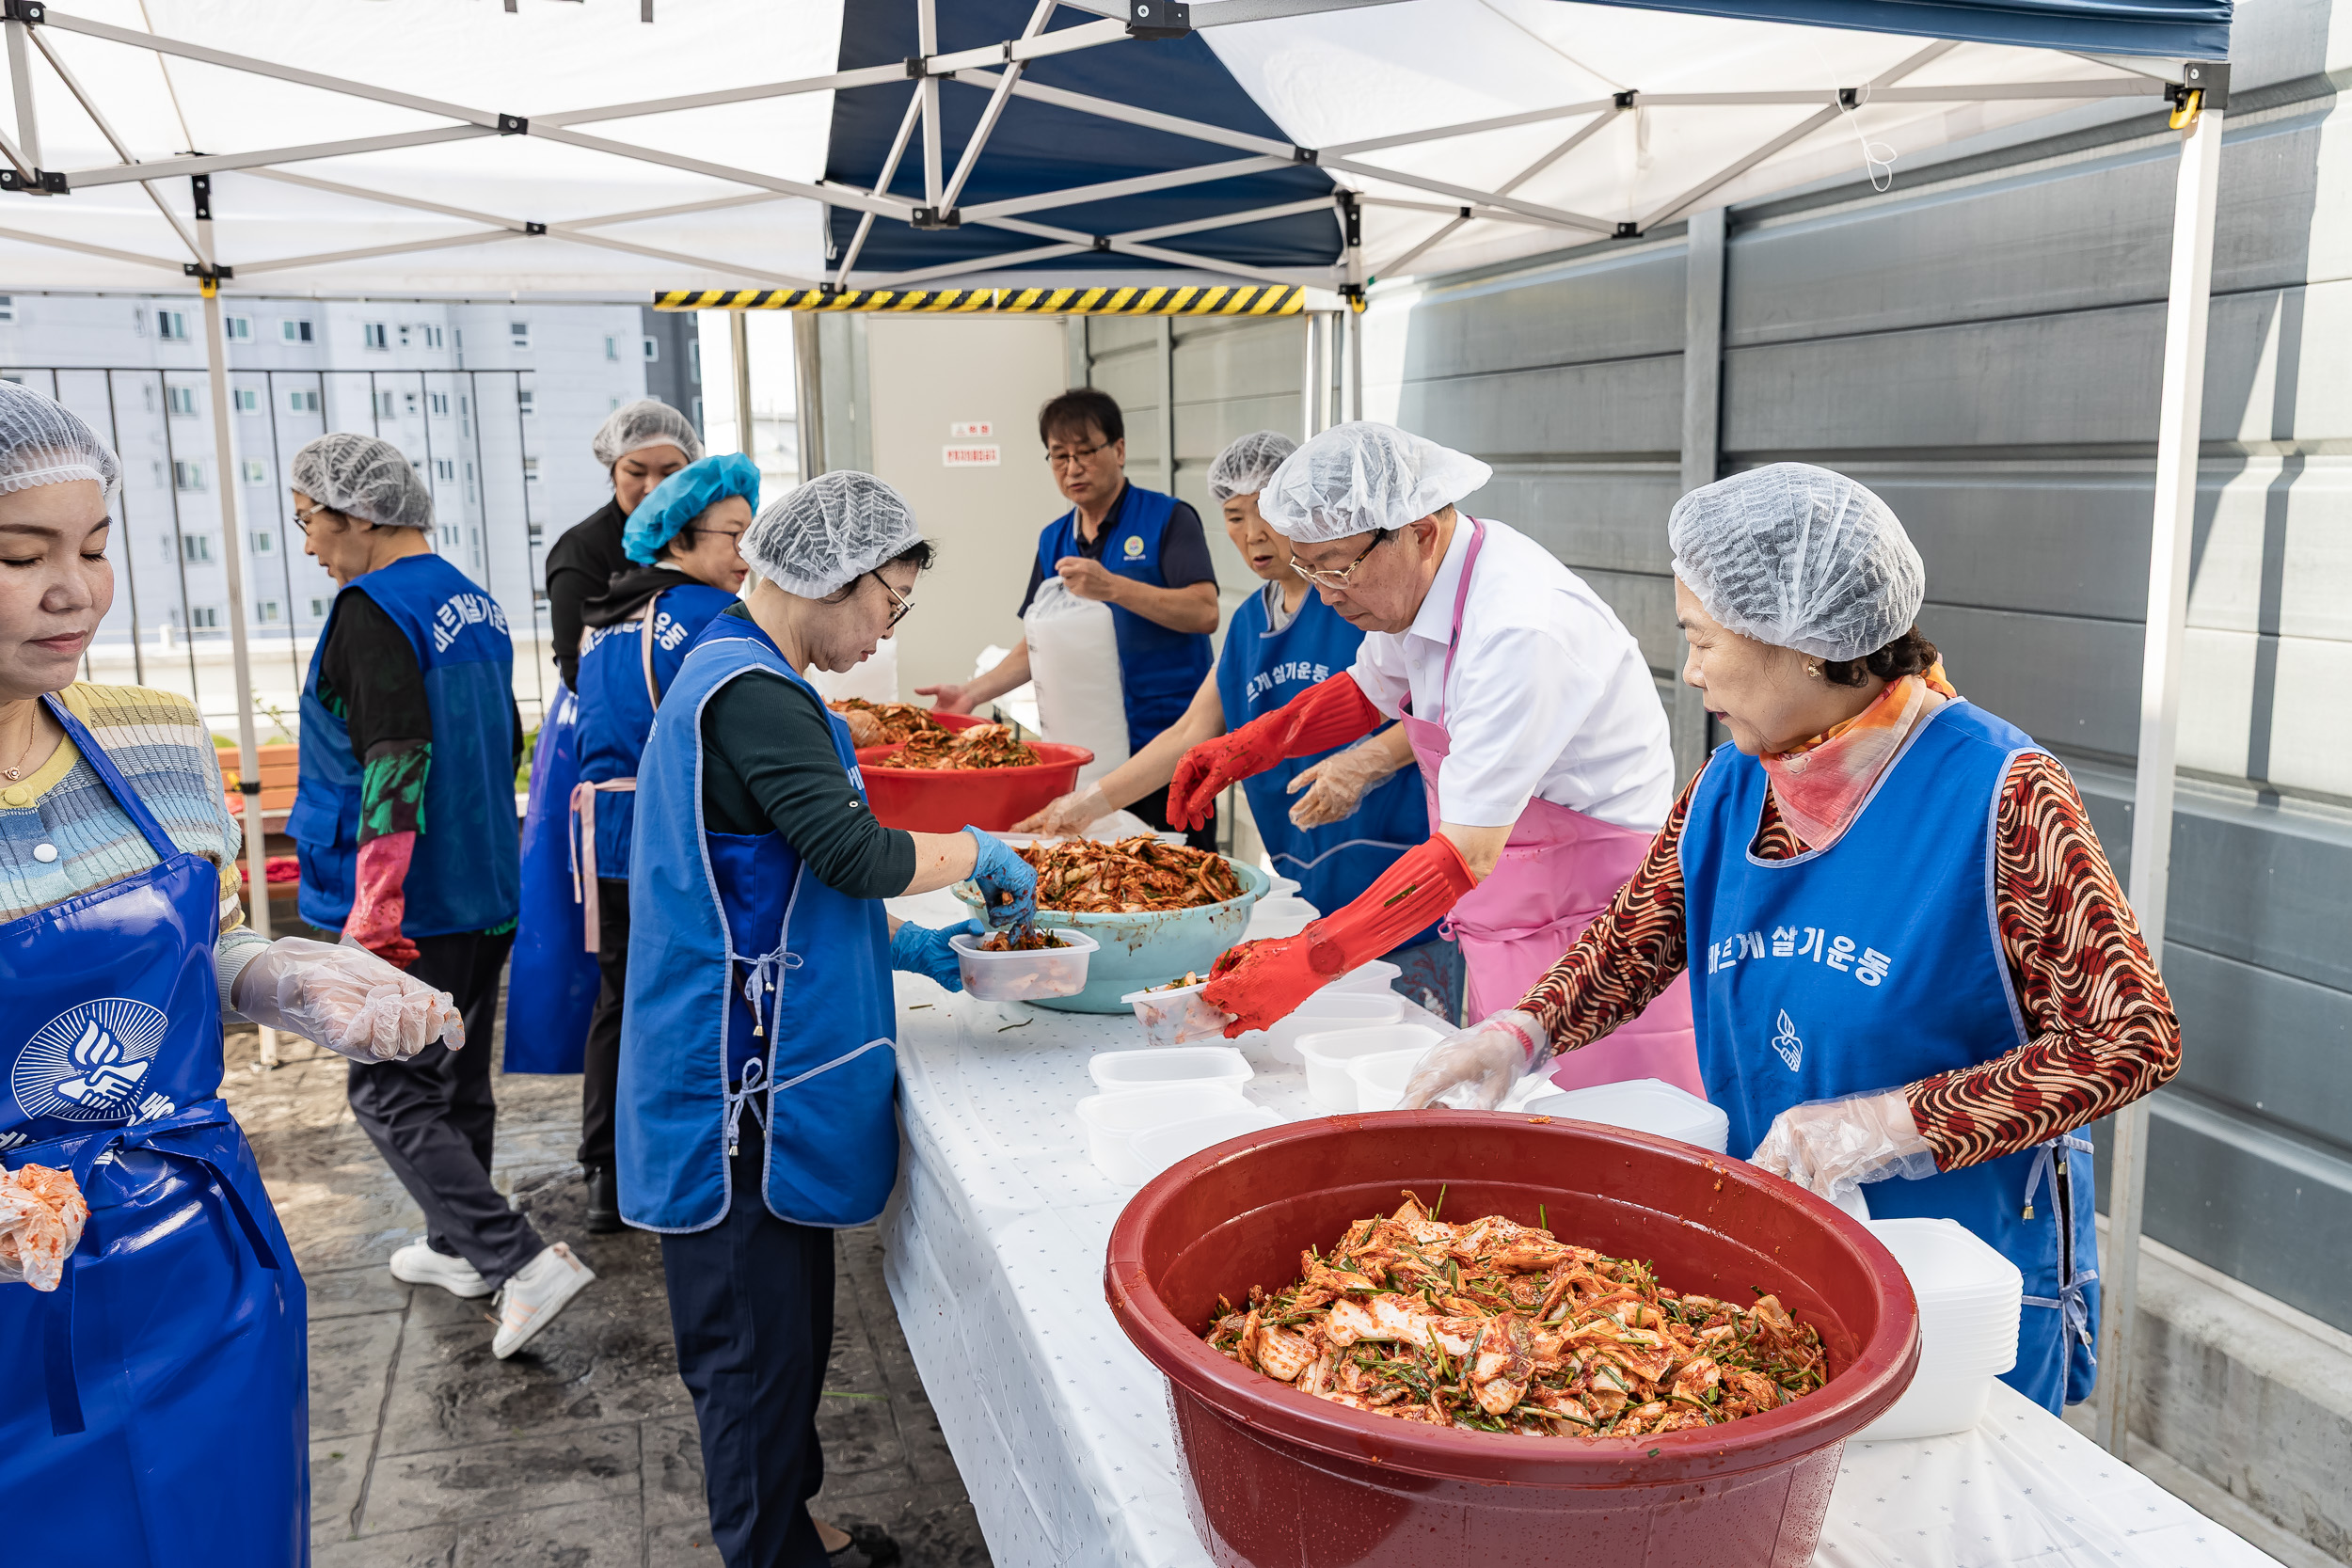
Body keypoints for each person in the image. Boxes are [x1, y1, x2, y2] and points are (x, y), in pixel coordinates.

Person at [1399, 463, 2180, 1412]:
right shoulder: (1735, 782)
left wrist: (1887, 1125)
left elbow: (2129, 1040)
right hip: (1779, 1255)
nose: (1687, 670)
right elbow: (1637, 937)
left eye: (1701, 639)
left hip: (1955, 1279)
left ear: (1802, 647)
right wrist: (1523, 1030)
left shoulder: (2002, 794)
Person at [0, 383, 462, 1563]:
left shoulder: (152, 736)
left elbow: (193, 945)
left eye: (96, 548)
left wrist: (276, 978)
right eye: (21, 554)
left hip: (197, 1265)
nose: (75, 589)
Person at [621, 470, 1030, 1568]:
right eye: (888, 602)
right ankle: (768, 1547)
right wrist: (981, 849)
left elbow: (775, 879)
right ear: (830, 579)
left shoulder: (758, 676)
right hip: (734, 1087)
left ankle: (797, 1521)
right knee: (750, 1353)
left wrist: (905, 947)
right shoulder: (748, 689)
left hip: (760, 1052)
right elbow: (851, 852)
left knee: (790, 1336)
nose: (889, 628)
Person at [1170, 422, 1695, 1086]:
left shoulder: (1517, 628)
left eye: (1337, 565)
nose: (1327, 593)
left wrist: (1308, 960)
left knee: (1601, 1145)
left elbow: (1464, 854)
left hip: (1597, 954)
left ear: (1418, 530)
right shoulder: (1420, 588)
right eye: (1309, 567)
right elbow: (1370, 689)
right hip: (1509, 930)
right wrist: (1251, 744)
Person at [290, 433, 595, 1358]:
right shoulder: (476, 603)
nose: (309, 547)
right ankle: (450, 1244)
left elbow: (393, 755)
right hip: (483, 883)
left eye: (309, 522)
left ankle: (514, 1258)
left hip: (407, 901)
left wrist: (376, 909)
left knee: (387, 1092)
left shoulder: (370, 609)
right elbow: (501, 734)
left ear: (359, 515)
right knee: (455, 1073)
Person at [1017, 430, 1455, 1013]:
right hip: (1307, 876)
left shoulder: (1369, 599)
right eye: (1234, 517)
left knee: (1410, 1042)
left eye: (1267, 512)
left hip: (1400, 875)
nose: (1253, 535)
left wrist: (1365, 760)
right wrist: (1087, 805)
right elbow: (1190, 734)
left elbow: (1439, 711)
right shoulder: (1250, 621)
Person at [569, 452, 757, 1232]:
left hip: (603, 837)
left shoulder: (606, 617)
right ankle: (677, 1165)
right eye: (735, 536)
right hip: (663, 837)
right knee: (676, 1000)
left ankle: (605, 1170)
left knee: (619, 999)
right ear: (681, 538)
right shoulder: (703, 615)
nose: (747, 557)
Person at [918, 388, 1219, 846]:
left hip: (1170, 745)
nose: (1072, 468)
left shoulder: (1168, 520)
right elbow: (1035, 644)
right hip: (1089, 755)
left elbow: (1204, 611)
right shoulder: (1053, 539)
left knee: (1182, 869)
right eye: (1059, 456)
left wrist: (1114, 588)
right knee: (1097, 873)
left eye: (1085, 452)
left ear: (1118, 450)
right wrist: (971, 693)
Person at [546, 399, 703, 690]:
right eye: (636, 472)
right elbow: (576, 670)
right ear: (613, 472)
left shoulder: (704, 536)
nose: (653, 487)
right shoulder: (581, 551)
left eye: (670, 473)